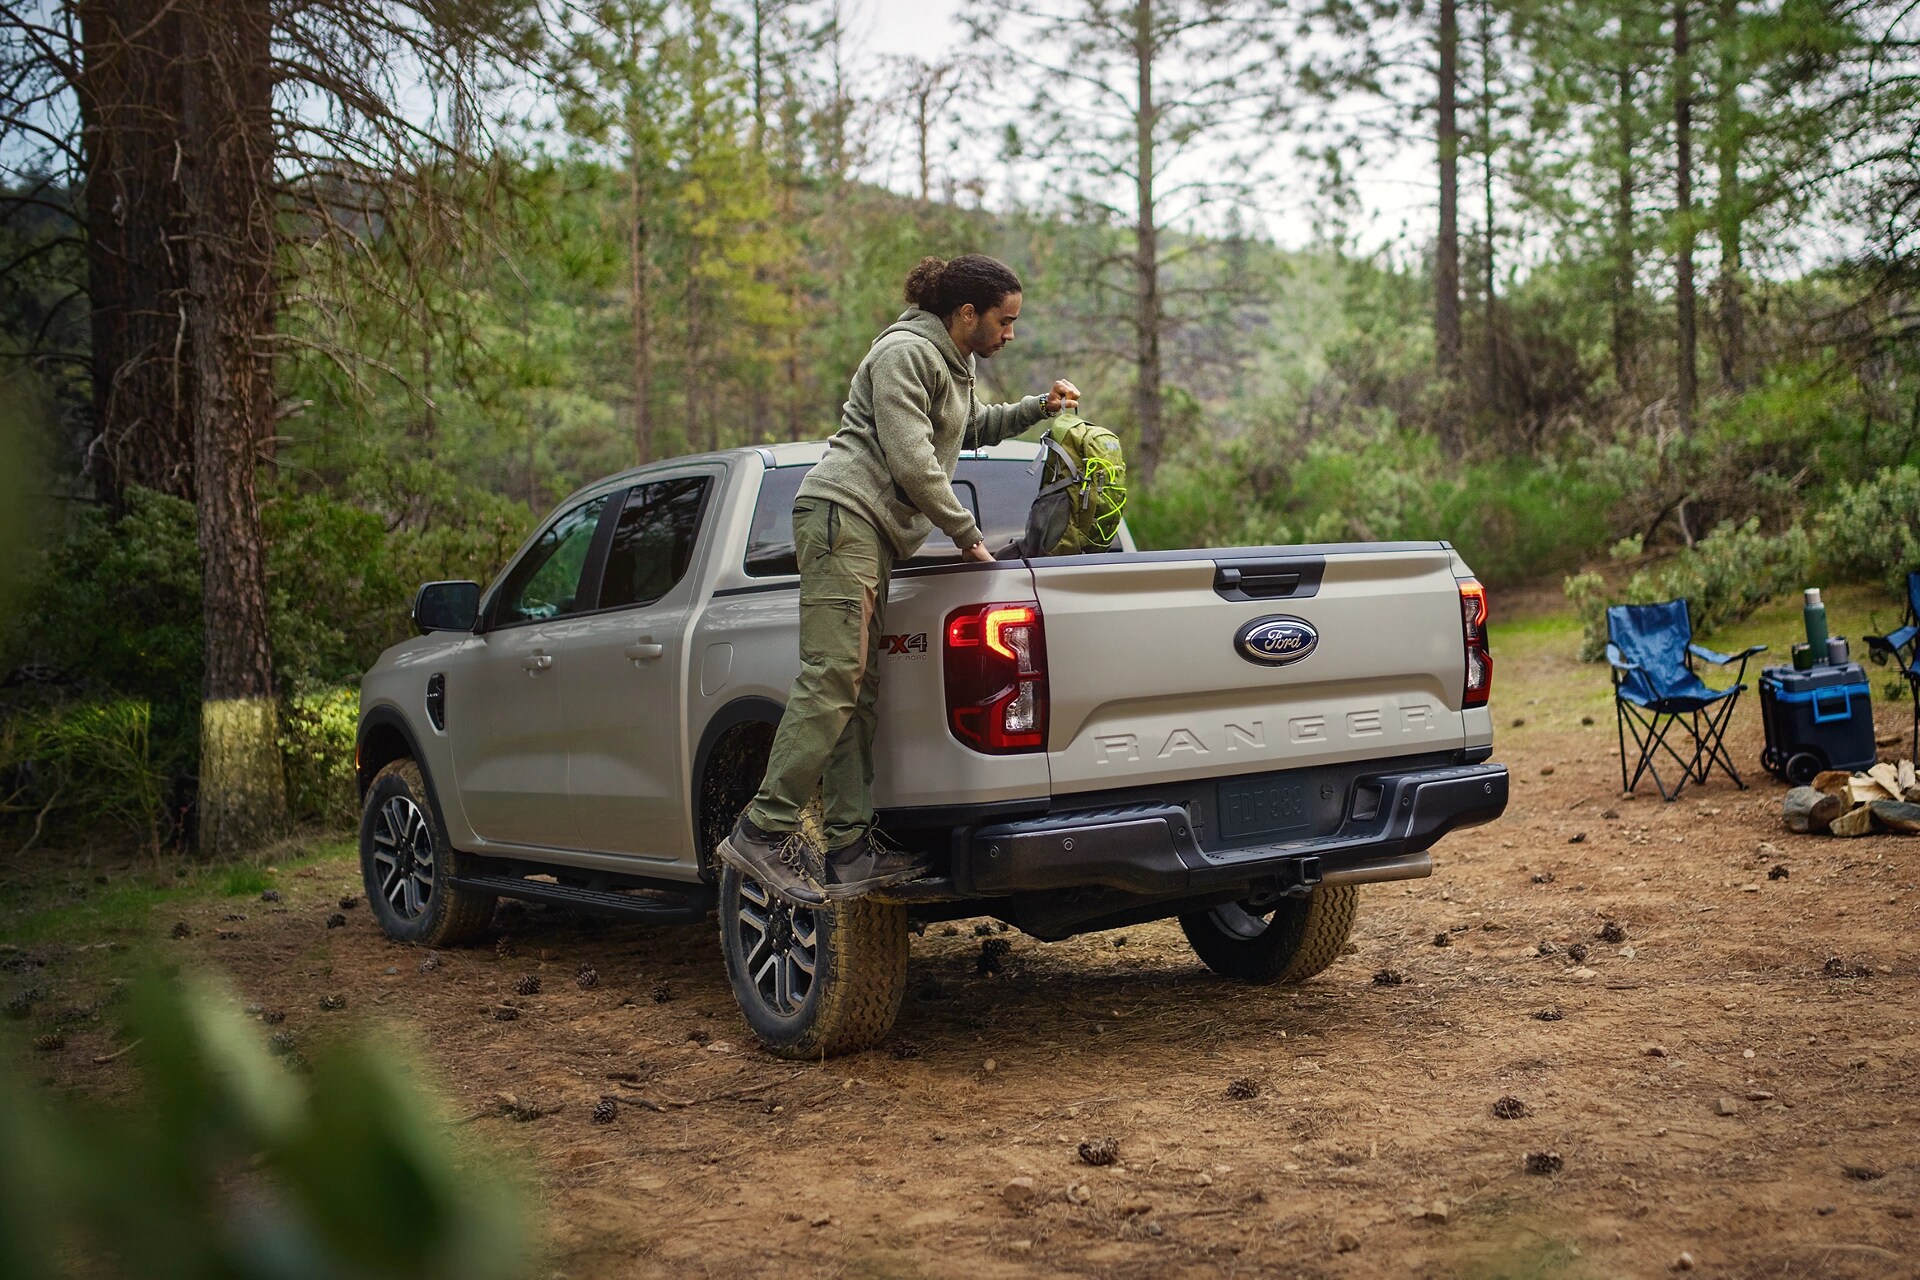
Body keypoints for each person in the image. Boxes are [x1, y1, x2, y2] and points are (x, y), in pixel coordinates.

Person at [717, 254, 1079, 904]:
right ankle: (762, 832)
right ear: (966, 313)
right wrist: (968, 535)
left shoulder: (951, 362)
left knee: (858, 691)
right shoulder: (904, 354)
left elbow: (968, 429)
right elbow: (913, 460)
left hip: (874, 532)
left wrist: (1037, 408)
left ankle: (850, 849)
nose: (1010, 333)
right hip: (843, 515)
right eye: (1005, 321)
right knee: (832, 678)